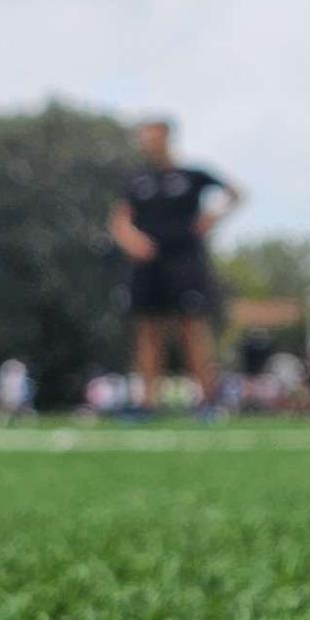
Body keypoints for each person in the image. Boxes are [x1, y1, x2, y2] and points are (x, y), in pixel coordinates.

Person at [107, 118, 239, 411]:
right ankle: (146, 403)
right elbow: (119, 220)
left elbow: (235, 194)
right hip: (147, 265)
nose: (144, 141)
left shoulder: (193, 175)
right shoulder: (137, 181)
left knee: (192, 329)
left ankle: (207, 402)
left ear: (166, 137)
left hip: (185, 261)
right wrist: (131, 239)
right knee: (148, 330)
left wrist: (211, 219)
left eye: (149, 135)